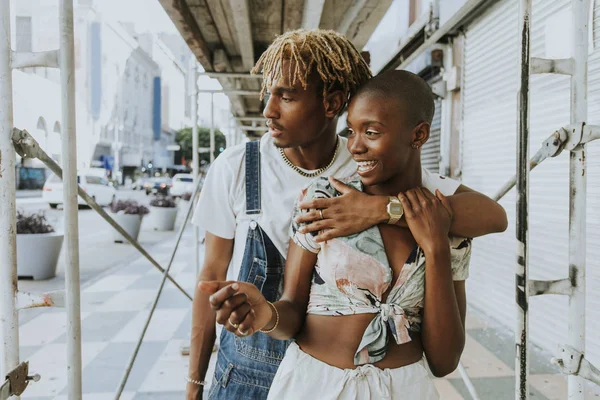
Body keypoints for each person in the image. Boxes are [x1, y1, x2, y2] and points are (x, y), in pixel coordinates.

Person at [187, 29, 507, 400]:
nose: (268, 110)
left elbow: (491, 216)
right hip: (259, 368)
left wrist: (380, 209)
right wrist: (195, 383)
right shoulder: (241, 169)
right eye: (268, 93)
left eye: (286, 96)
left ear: (332, 103)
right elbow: (212, 276)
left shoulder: (378, 168)